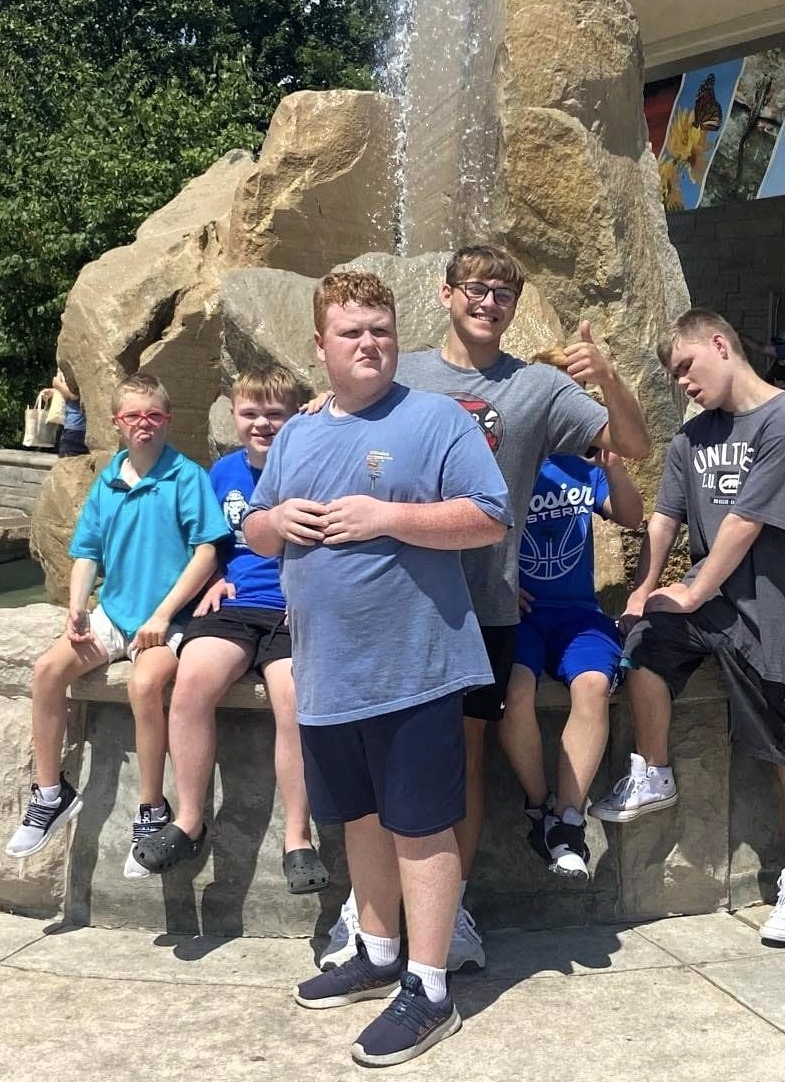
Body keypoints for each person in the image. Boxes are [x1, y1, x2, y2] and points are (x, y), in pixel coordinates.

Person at [335, 244, 648, 973]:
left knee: (465, 761)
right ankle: (369, 914)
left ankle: (456, 909)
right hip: (391, 599)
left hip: (484, 607)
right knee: (376, 761)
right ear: (445, 294)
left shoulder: (537, 387)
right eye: (474, 288)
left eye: (503, 292)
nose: (488, 301)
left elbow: (629, 444)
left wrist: (605, 379)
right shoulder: (401, 371)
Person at [246, 270, 509, 1067]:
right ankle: (378, 951)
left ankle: (429, 989)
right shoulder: (293, 434)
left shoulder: (437, 420)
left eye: (382, 330)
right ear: (321, 346)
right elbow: (256, 530)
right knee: (359, 818)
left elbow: (490, 518)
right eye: (353, 332)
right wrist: (273, 520)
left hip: (414, 666)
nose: (370, 343)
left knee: (421, 826)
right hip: (327, 673)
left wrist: (384, 516)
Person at [598, 309, 785, 949]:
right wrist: (644, 593)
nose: (682, 385)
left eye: (686, 368)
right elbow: (664, 520)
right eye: (673, 377)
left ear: (722, 344)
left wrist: (695, 586)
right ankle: (654, 770)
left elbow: (747, 520)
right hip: (715, 611)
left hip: (781, 612)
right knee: (644, 644)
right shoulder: (689, 440)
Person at [3, 373, 229, 876]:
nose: (143, 425)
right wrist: (78, 606)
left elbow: (208, 550)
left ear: (166, 420)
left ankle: (151, 809)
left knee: (145, 685)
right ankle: (50, 792)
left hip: (169, 621)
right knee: (46, 670)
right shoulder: (107, 481)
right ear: (117, 423)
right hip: (115, 614)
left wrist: (164, 615)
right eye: (133, 417)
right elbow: (86, 552)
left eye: (153, 416)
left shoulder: (186, 477)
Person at [135, 366, 325, 891]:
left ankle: (297, 837)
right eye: (251, 413)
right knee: (192, 683)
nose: (262, 423)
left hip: (293, 610)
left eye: (275, 414)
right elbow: (209, 542)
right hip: (236, 605)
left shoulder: (312, 469)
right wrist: (216, 577)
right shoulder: (220, 474)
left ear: (294, 418)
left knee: (293, 697)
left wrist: (310, 597)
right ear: (234, 417)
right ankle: (190, 819)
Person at [497, 446, 641, 881]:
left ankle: (568, 819)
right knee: (515, 689)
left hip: (578, 614)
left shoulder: (582, 466)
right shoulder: (505, 456)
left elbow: (632, 516)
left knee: (594, 684)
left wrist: (613, 463)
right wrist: (497, 584)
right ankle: (540, 809)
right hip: (519, 613)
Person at [52, 368, 89, 458]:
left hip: (76, 429)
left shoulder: (77, 366)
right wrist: (54, 390)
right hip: (78, 428)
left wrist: (57, 385)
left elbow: (75, 396)